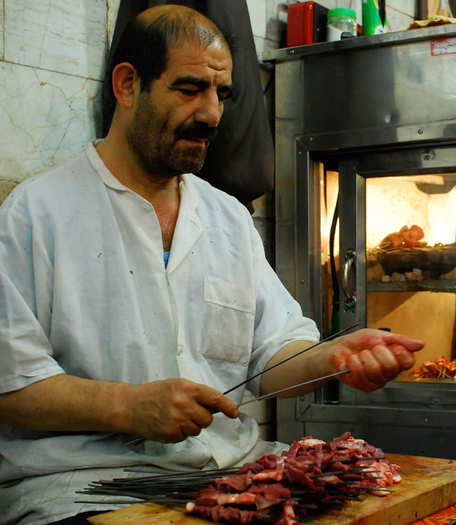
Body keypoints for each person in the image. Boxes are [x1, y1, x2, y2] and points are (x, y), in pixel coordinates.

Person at [0, 5, 424, 524]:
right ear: (128, 84)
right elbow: (11, 384)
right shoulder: (35, 213)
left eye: (221, 94)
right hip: (80, 487)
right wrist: (128, 408)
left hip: (227, 475)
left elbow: (272, 354)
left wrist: (335, 357)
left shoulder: (226, 218)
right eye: (189, 89)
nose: (211, 114)